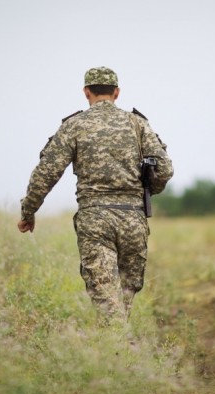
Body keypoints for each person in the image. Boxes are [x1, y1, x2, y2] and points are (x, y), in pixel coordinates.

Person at [18, 66, 174, 328]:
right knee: (124, 296)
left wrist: (28, 211)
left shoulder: (74, 126)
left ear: (86, 92)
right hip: (133, 219)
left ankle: (116, 352)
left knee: (105, 296)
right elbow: (165, 169)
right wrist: (148, 190)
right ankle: (120, 353)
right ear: (117, 92)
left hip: (95, 220)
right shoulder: (138, 124)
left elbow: (46, 173)